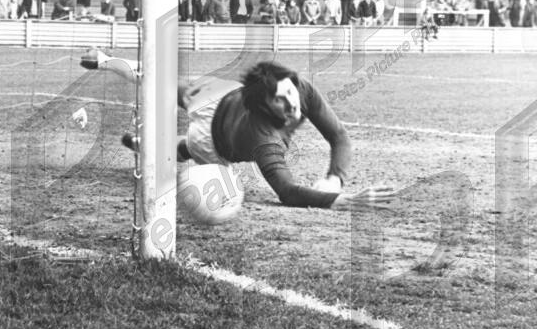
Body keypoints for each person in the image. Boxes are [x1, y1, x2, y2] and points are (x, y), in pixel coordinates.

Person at [79, 50, 396, 211]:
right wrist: (342, 200)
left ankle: (148, 144)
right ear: (263, 107)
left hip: (219, 102)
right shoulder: (263, 138)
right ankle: (151, 140)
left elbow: (339, 136)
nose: (292, 103)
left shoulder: (301, 89)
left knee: (183, 141)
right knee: (159, 85)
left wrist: (335, 179)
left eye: (289, 92)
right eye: (279, 101)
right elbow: (287, 192)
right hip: (211, 132)